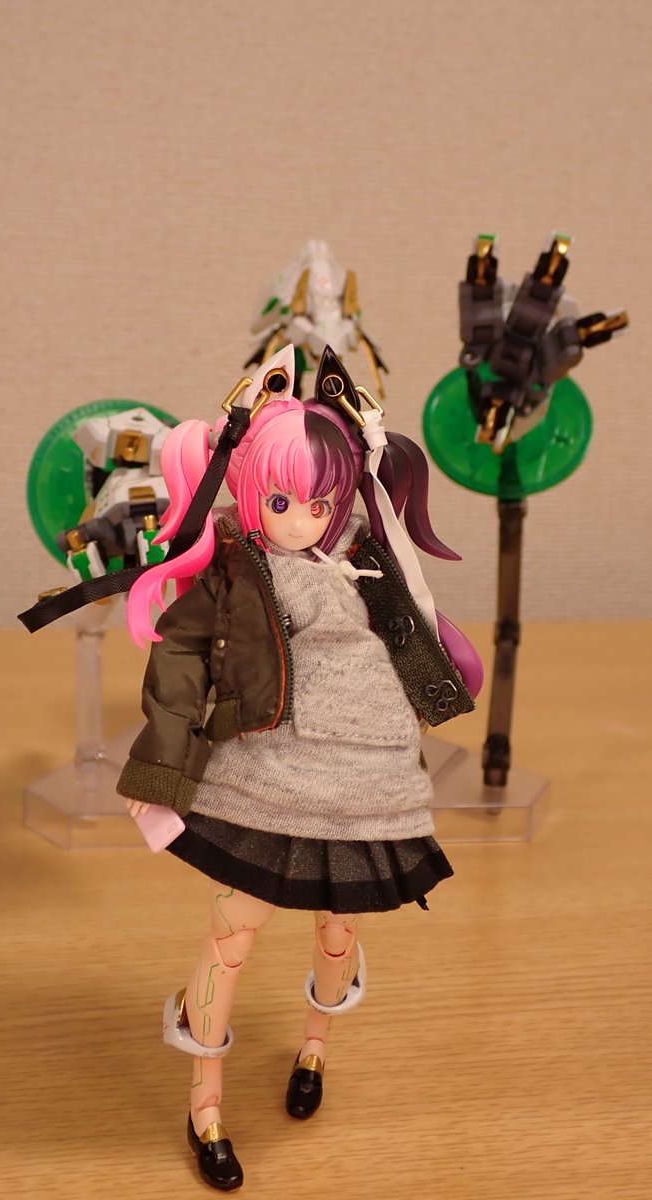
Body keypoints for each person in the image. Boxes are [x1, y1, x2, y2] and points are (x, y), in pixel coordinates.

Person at [117, 345, 483, 1191]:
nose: (301, 520)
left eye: (319, 502)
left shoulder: (369, 561)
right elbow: (178, 667)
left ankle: (315, 1051)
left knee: (337, 930)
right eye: (281, 501)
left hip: (364, 788)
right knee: (231, 936)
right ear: (251, 488)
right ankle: (205, 1104)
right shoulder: (235, 571)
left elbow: (414, 646)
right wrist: (159, 774)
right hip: (263, 780)